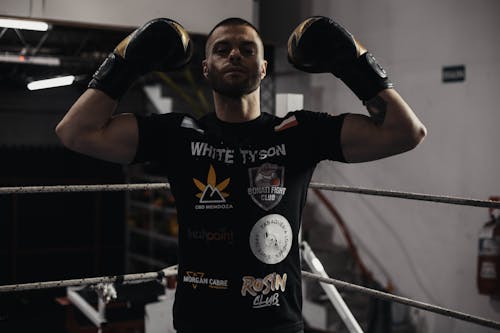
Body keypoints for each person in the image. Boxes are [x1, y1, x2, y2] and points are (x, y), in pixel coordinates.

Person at [55, 16, 426, 333]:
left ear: (263, 69)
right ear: (205, 68)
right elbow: (75, 132)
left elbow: (405, 132)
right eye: (222, 49)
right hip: (199, 321)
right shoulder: (178, 134)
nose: (234, 54)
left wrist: (354, 65)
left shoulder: (299, 132)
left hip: (276, 321)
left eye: (248, 49)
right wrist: (126, 64)